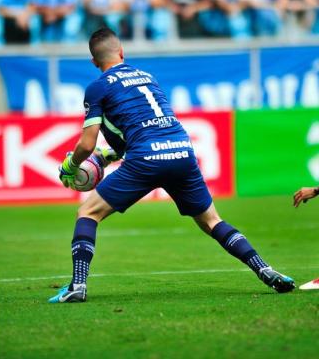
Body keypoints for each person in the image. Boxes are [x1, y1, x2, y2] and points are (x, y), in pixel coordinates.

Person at [49, 27, 295, 303]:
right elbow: (132, 132)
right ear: (122, 52)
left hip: (146, 157)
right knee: (212, 221)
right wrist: (107, 157)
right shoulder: (147, 77)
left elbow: (85, 144)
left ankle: (78, 286)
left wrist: (70, 165)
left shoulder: (97, 87)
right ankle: (265, 269)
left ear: (94, 62)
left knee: (88, 212)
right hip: (181, 151)